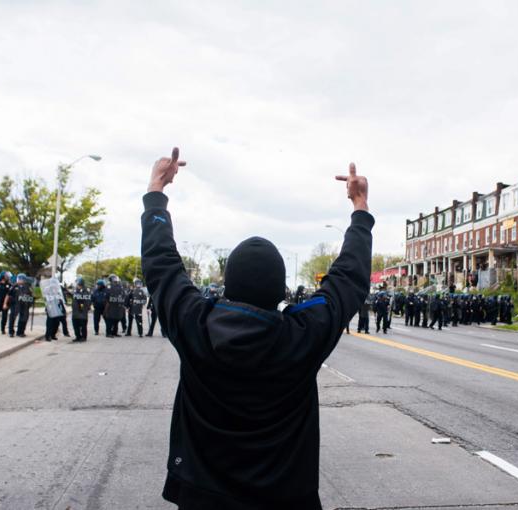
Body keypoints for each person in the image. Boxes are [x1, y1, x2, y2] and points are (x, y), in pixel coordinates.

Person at [141, 148, 371, 508]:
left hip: (203, 496)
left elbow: (162, 267)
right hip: (287, 496)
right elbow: (348, 280)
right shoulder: (302, 334)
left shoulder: (194, 324)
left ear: (227, 286)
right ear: (280, 293)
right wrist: (360, 209)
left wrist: (157, 194)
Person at [71, 277, 92, 341]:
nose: (77, 286)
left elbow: (87, 301)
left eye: (78, 284)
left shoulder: (86, 291)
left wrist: (85, 307)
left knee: (83, 325)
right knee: (75, 325)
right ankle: (78, 336)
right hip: (75, 312)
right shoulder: (75, 291)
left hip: (82, 312)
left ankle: (83, 337)